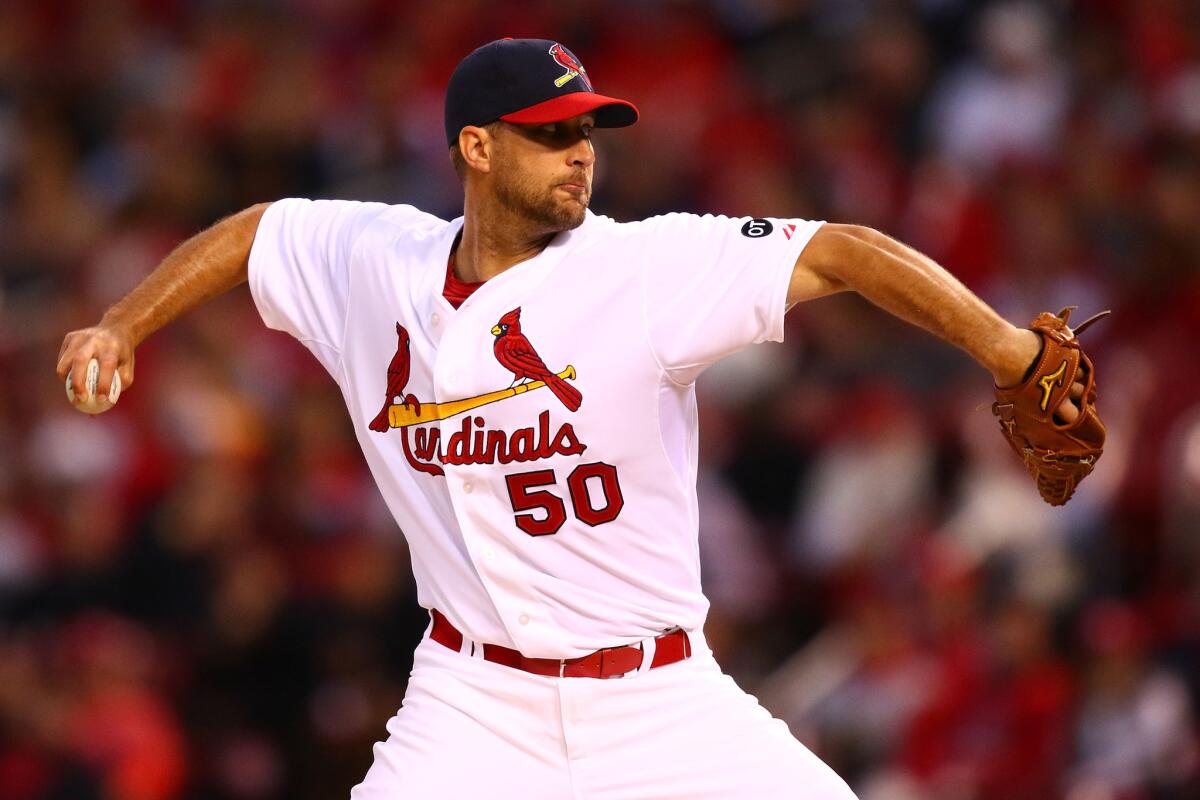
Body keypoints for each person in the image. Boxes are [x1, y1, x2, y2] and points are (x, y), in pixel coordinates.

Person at [56, 38, 1084, 799]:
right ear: (476, 148)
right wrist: (121, 324)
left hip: (660, 697)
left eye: (586, 130)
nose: (580, 154)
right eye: (550, 136)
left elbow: (841, 251)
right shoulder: (380, 259)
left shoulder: (643, 268)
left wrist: (1008, 349)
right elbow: (255, 234)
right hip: (472, 700)